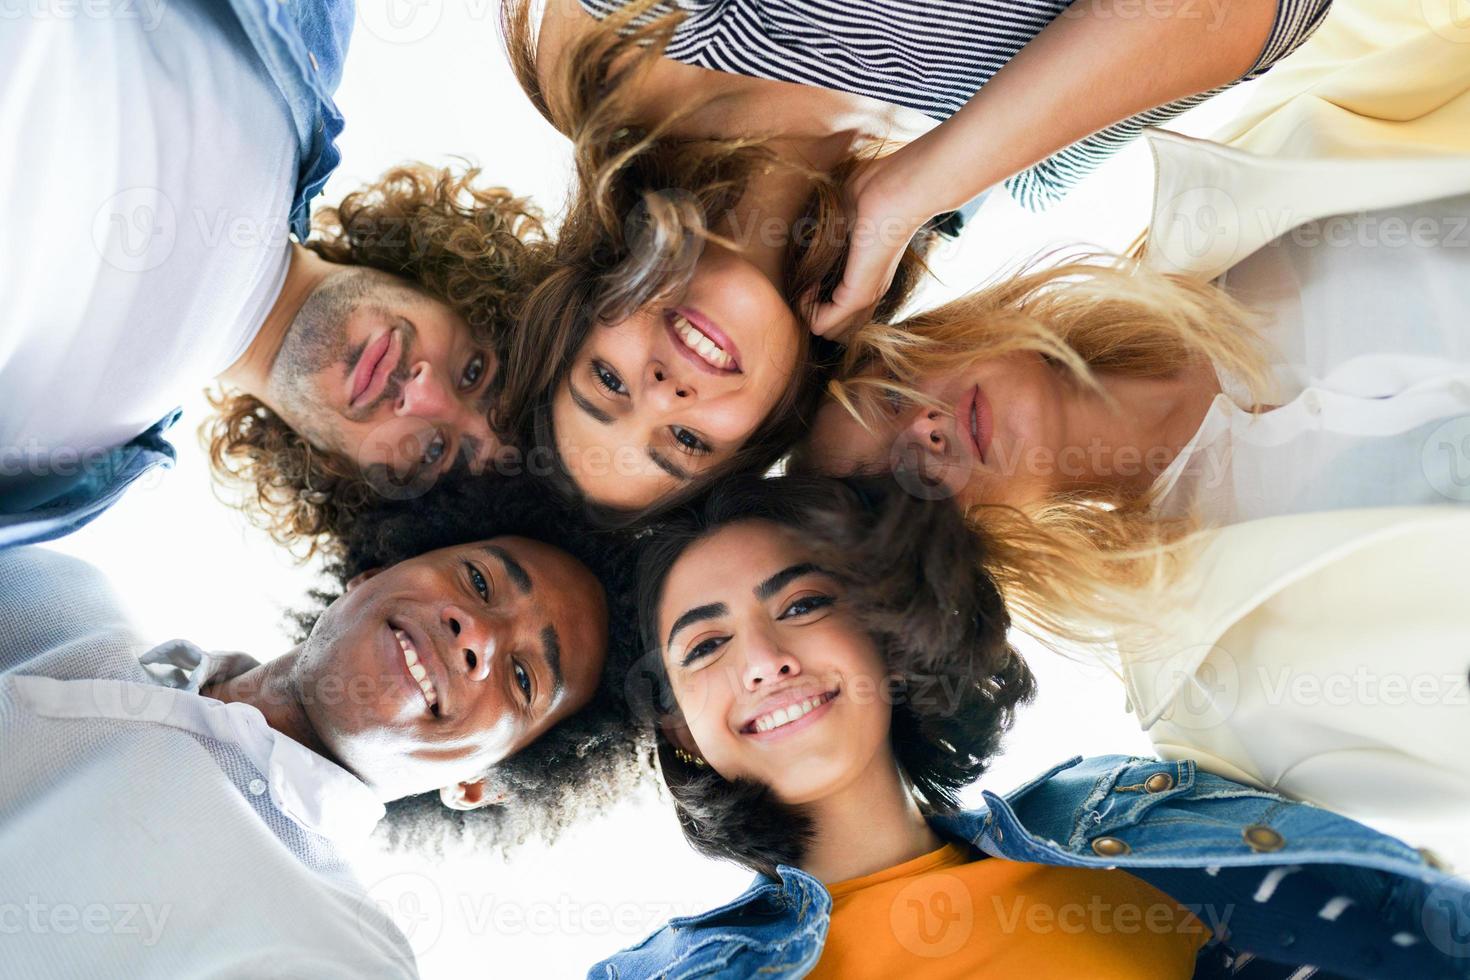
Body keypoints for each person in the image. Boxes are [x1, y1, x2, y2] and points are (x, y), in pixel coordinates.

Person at [798, 0, 1470, 868]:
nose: (923, 433)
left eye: (892, 396)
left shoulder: (1246, 174)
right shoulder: (1230, 711)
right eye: (896, 481)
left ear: (931, 335)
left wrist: (908, 187)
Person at [592, 473, 1470, 978]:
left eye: (806, 603)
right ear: (677, 730)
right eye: (705, 646)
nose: (762, 659)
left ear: (884, 634)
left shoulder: (1139, 822)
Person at [0, 478, 641, 976]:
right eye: (478, 580)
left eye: (524, 678)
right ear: (372, 574)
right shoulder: (48, 588)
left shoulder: (342, 956)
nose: (476, 633)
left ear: (480, 785)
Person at [0, 2, 544, 552]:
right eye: (474, 370)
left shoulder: (51, 482)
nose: (422, 393)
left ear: (348, 478)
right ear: (458, 287)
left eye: (433, 453)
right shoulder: (309, 30)